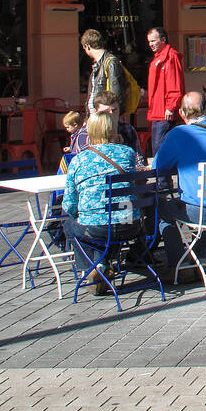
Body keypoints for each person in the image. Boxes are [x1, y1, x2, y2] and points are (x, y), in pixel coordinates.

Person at [62, 112, 141, 296]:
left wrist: (78, 213)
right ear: (113, 130)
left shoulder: (79, 160)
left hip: (95, 227)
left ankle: (92, 268)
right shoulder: (127, 153)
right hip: (129, 225)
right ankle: (102, 265)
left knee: (70, 225)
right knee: (111, 221)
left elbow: (70, 205)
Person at [152, 91, 206, 272]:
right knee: (202, 197)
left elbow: (158, 166)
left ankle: (177, 264)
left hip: (199, 212)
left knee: (163, 209)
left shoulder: (179, 133)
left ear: (181, 113)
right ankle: (199, 258)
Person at [145, 26, 185, 155]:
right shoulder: (160, 58)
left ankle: (163, 175)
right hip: (158, 111)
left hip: (164, 112)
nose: (150, 44)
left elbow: (175, 84)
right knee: (159, 148)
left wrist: (171, 106)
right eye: (149, 41)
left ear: (163, 40)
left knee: (160, 149)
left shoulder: (169, 57)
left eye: (153, 41)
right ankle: (164, 175)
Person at [70, 90, 139, 154]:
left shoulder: (127, 130)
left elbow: (139, 160)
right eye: (106, 112)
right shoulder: (85, 135)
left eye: (114, 110)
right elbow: (78, 164)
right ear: (96, 112)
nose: (111, 114)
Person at [81, 28, 126, 117]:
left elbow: (115, 96)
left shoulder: (111, 63)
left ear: (87, 46)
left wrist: (110, 118)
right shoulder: (97, 65)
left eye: (84, 47)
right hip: (96, 118)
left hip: (104, 119)